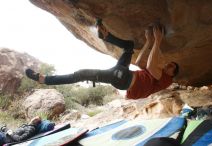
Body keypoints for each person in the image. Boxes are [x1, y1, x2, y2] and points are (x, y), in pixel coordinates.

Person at [25, 19, 179, 99]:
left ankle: (44, 79)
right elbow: (139, 63)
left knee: (81, 74)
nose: (168, 65)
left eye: (171, 66)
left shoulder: (166, 79)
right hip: (123, 72)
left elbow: (152, 65)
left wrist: (157, 40)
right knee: (129, 46)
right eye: (169, 64)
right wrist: (148, 42)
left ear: (173, 73)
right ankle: (107, 36)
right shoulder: (157, 75)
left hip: (123, 78)